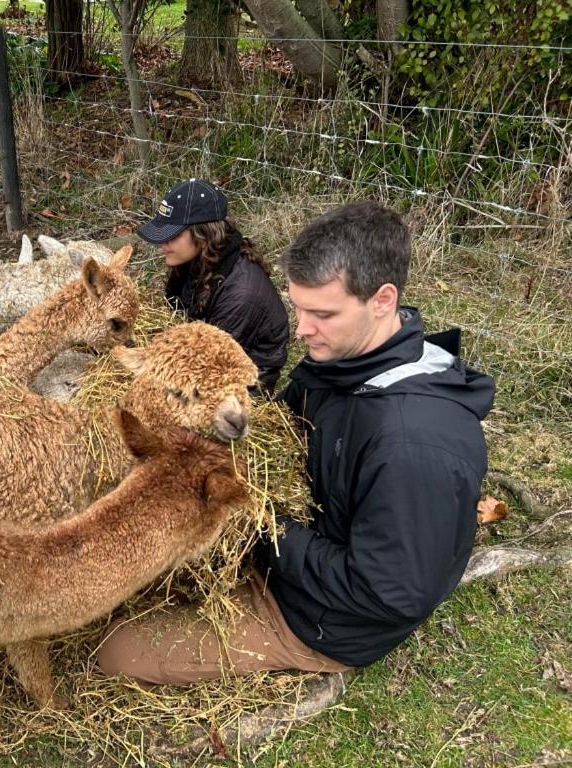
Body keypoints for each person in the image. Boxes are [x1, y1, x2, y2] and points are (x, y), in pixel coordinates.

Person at [97, 200, 495, 684]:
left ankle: (290, 645)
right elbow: (280, 428)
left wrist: (262, 522)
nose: (302, 330)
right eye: (299, 308)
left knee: (113, 648)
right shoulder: (342, 356)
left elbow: (387, 593)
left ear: (383, 300)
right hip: (299, 538)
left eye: (322, 313)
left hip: (322, 618)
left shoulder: (415, 448)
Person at [137, 179, 289, 394]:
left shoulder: (241, 295)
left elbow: (210, 366)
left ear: (203, 233)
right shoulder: (200, 260)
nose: (163, 244)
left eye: (173, 234)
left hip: (240, 389)